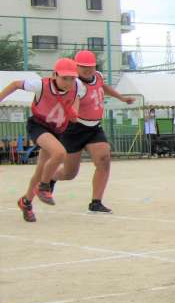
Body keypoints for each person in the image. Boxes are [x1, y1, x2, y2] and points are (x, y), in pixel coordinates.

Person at [50, 51, 135, 213]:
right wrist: (73, 114)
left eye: (90, 66)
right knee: (69, 173)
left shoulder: (98, 76)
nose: (87, 70)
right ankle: (51, 177)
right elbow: (74, 102)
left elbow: (102, 87)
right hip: (75, 129)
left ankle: (96, 202)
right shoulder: (75, 84)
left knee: (104, 159)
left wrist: (122, 98)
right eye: (83, 66)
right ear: (76, 66)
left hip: (94, 127)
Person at [0, 58, 82, 222]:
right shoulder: (40, 85)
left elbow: (74, 113)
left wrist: (73, 112)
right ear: (54, 75)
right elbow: (15, 84)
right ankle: (44, 187)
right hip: (38, 125)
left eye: (72, 78)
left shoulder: (77, 86)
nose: (68, 82)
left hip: (56, 130)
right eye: (64, 78)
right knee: (59, 153)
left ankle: (26, 202)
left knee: (40, 171)